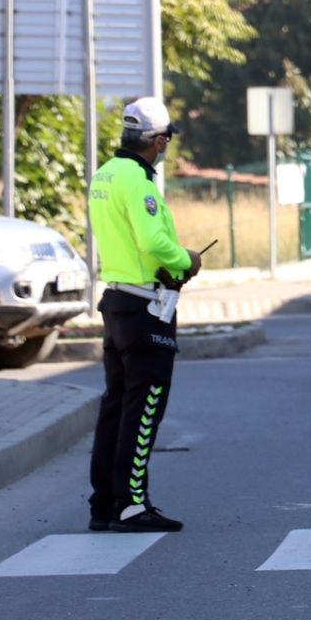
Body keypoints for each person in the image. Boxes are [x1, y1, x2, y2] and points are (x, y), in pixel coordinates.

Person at [86, 97, 201, 533]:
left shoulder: (105, 174)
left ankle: (104, 504)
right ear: (158, 141)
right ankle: (132, 504)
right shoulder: (139, 182)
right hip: (145, 308)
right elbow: (153, 243)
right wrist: (186, 260)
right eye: (167, 137)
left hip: (117, 301)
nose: (167, 144)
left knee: (116, 405)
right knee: (145, 405)